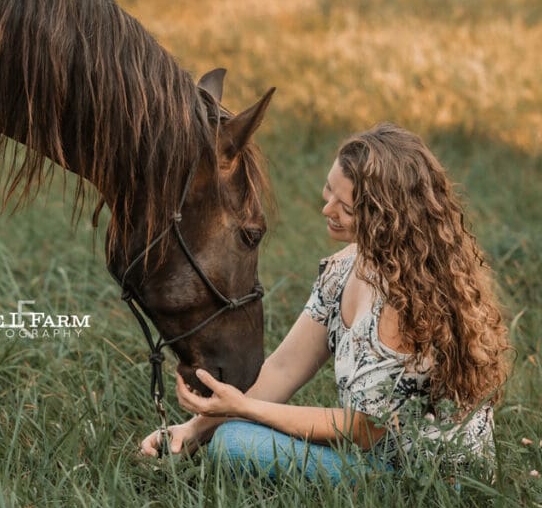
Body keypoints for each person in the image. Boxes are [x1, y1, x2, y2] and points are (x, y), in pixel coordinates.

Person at [139, 123, 512, 483]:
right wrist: (193, 429)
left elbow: (364, 430)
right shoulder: (345, 267)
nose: (327, 209)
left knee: (236, 443)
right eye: (328, 190)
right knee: (231, 433)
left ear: (385, 219)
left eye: (346, 207)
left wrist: (244, 409)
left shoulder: (404, 305)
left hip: (424, 476)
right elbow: (283, 369)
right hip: (374, 453)